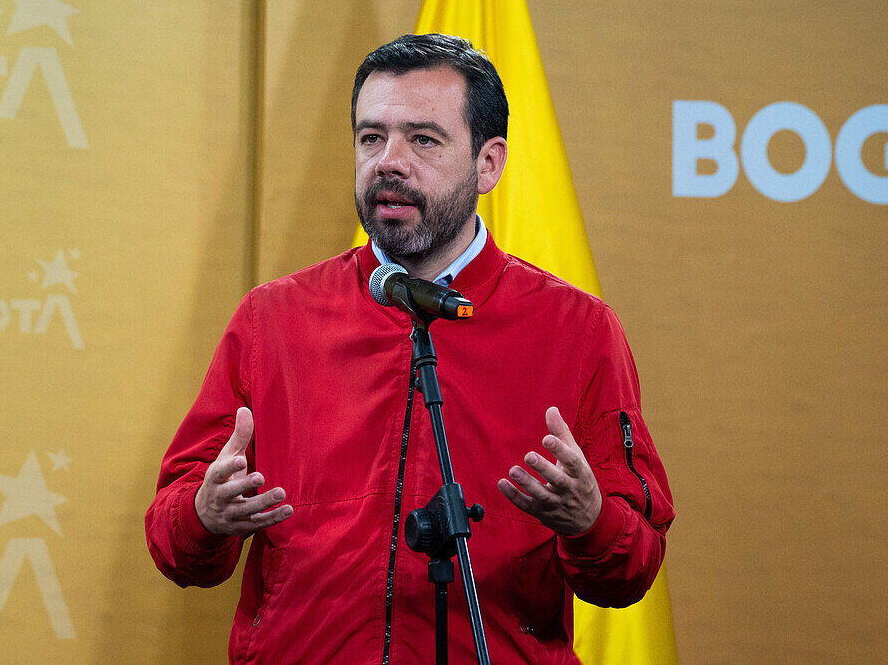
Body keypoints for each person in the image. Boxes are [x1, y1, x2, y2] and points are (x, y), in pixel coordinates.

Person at [146, 33, 673, 664]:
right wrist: (204, 515)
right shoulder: (272, 321)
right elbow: (173, 542)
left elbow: (632, 568)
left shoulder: (577, 329)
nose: (388, 162)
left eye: (422, 139)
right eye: (371, 138)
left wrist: (589, 522)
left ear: (489, 164)